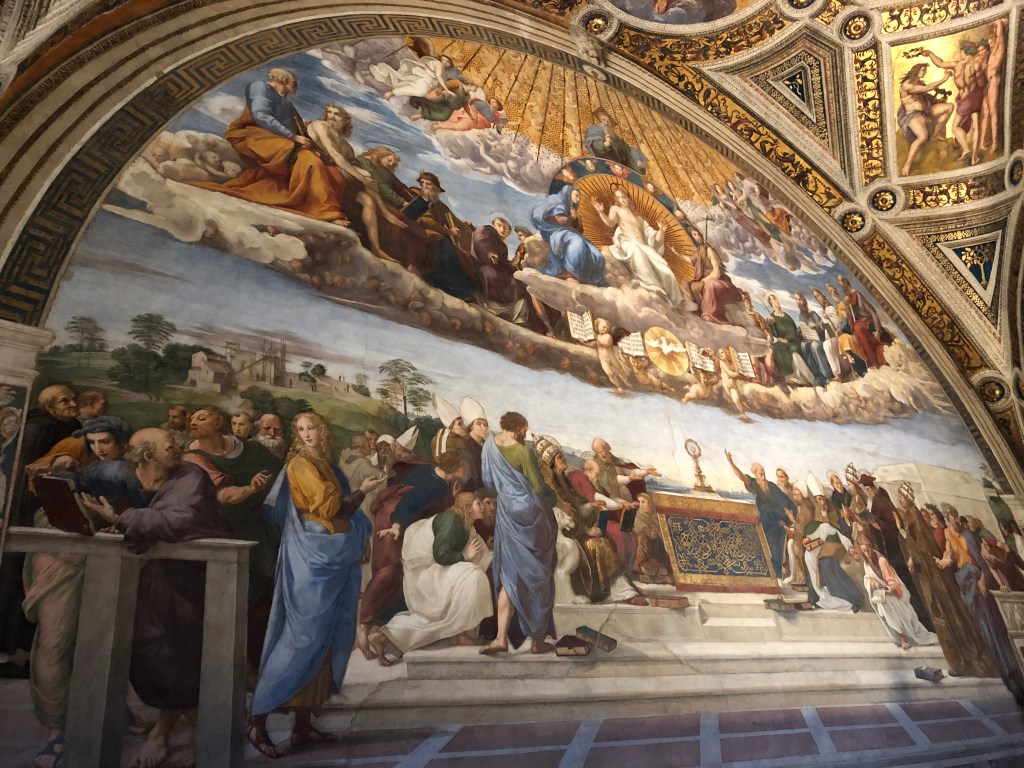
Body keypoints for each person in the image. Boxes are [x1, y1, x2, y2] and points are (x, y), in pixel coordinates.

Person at [81, 428, 232, 768]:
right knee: (152, 648)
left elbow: (180, 520)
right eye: (169, 446)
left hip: (191, 580)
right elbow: (159, 523)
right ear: (149, 455)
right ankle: (181, 731)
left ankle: (187, 734)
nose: (177, 447)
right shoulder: (150, 474)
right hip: (161, 576)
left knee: (176, 653)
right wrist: (123, 525)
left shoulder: (190, 474)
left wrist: (121, 519)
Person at [245, 412, 380, 758]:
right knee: (301, 638)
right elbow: (333, 509)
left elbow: (345, 513)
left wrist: (360, 530)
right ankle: (256, 721)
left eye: (312, 428)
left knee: (326, 639)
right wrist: (364, 491)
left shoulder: (330, 468)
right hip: (311, 561)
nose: (306, 434)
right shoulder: (300, 466)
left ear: (323, 431)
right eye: (301, 430)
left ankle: (302, 727)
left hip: (334, 557)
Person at [24, 416, 142, 768]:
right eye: (93, 443)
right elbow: (42, 477)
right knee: (55, 641)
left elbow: (140, 509)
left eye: (105, 442)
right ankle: (56, 732)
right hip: (59, 558)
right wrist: (57, 463)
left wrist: (119, 523)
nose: (98, 448)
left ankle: (115, 713)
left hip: (107, 564)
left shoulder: (128, 471)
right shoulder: (77, 459)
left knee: (103, 641)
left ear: (121, 442)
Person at [182, 406, 282, 675]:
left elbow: (281, 476)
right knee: (232, 598)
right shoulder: (193, 458)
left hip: (261, 528)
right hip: (225, 532)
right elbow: (223, 496)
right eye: (192, 418)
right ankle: (230, 667)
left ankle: (260, 665)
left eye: (201, 418)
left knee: (267, 592)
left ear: (219, 423)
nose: (193, 421)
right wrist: (251, 488)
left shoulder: (251, 450)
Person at [199, 68, 350, 224]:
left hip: (281, 140)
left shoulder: (288, 104)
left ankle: (311, 204)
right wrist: (293, 136)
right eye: (294, 82)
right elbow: (261, 115)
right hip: (256, 136)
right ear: (285, 81)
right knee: (309, 160)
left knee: (333, 172)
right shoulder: (260, 87)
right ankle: (327, 212)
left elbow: (299, 127)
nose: (296, 86)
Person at [0, 385, 80, 677]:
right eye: (64, 401)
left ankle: (29, 655)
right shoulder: (39, 429)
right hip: (29, 511)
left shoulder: (68, 428)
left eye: (73, 399)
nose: (72, 404)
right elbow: (25, 477)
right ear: (49, 407)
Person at [357, 451, 463, 659]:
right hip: (397, 525)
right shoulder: (438, 485)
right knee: (396, 574)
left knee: (394, 573)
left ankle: (374, 626)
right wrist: (397, 526)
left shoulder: (430, 470)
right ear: (456, 468)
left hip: (391, 519)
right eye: (463, 467)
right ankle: (368, 623)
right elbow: (410, 502)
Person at [371, 492, 493, 663]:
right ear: (467, 507)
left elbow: (482, 554)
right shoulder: (452, 521)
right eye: (479, 504)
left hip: (438, 570)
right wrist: (464, 556)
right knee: (473, 576)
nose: (483, 508)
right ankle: (459, 634)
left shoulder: (468, 526)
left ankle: (384, 637)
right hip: (426, 573)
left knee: (469, 580)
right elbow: (440, 555)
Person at [480, 412, 557, 654]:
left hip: (506, 517)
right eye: (525, 429)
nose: (526, 433)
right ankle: (537, 640)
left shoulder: (488, 447)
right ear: (519, 427)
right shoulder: (524, 452)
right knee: (538, 578)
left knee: (509, 577)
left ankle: (501, 638)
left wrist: (507, 494)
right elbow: (539, 488)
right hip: (531, 519)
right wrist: (556, 500)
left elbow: (488, 482)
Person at [896, 492, 997, 677]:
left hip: (946, 580)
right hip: (939, 578)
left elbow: (927, 549)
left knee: (956, 617)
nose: (899, 500)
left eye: (901, 497)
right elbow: (931, 551)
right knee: (949, 620)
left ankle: (971, 662)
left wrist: (918, 558)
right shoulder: (916, 522)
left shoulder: (920, 521)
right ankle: (961, 663)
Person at [936, 512, 1024, 703]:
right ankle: (1009, 677)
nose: (953, 522)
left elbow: (983, 563)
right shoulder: (952, 538)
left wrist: (983, 579)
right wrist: (942, 562)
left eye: (954, 518)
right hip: (968, 583)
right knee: (987, 632)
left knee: (994, 632)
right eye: (950, 520)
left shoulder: (969, 537)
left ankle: (1013, 677)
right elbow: (950, 557)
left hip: (978, 585)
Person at [306, 104, 411, 263]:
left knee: (368, 200)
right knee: (365, 176)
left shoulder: (346, 144)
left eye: (337, 114)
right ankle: (385, 213)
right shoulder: (320, 125)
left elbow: (351, 162)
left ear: (345, 120)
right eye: (329, 112)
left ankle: (376, 248)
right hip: (326, 168)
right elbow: (335, 155)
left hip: (343, 172)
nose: (331, 116)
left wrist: (363, 175)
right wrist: (361, 177)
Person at [591, 185, 683, 305]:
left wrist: (661, 230)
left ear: (629, 198)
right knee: (637, 252)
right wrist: (601, 212)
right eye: (618, 197)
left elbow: (656, 239)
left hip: (645, 247)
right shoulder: (616, 209)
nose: (621, 199)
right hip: (629, 244)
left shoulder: (640, 219)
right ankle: (653, 288)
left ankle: (675, 302)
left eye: (623, 196)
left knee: (667, 271)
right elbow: (610, 223)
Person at [858, 534, 937, 649]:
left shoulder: (881, 560)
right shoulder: (866, 562)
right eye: (864, 551)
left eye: (867, 549)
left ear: (871, 546)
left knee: (888, 603)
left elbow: (892, 581)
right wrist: (871, 581)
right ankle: (901, 637)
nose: (867, 553)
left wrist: (889, 589)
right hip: (883, 593)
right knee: (884, 603)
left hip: (895, 591)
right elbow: (868, 577)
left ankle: (904, 636)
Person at [725, 451, 794, 581]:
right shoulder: (755, 485)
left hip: (779, 523)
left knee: (779, 550)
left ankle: (779, 576)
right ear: (756, 476)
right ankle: (772, 576)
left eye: (763, 473)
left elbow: (784, 501)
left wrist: (790, 516)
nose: (763, 476)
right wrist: (731, 463)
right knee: (769, 550)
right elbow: (742, 478)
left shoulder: (771, 485)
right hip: (767, 524)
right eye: (760, 474)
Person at [412, 171, 476, 301]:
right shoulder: (415, 195)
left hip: (438, 236)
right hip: (421, 232)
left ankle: (461, 288)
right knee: (446, 248)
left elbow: (455, 222)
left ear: (436, 189)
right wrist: (448, 232)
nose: (424, 186)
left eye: (428, 184)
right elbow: (425, 220)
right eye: (422, 183)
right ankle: (460, 291)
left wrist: (470, 230)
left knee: (465, 257)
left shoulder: (440, 206)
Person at [530, 185, 607, 286]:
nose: (578, 199)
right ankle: (571, 272)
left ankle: (584, 276)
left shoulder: (572, 209)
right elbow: (559, 219)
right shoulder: (559, 202)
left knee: (595, 254)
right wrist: (572, 218)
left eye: (580, 197)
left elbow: (580, 230)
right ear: (569, 192)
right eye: (576, 195)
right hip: (559, 233)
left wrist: (577, 219)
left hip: (571, 233)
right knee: (577, 243)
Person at [472, 217, 529, 323]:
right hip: (484, 266)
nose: (502, 229)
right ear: (493, 225)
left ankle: (518, 317)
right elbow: (481, 242)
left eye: (506, 228)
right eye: (499, 225)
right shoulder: (486, 230)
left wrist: (513, 263)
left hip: (500, 272)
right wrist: (490, 254)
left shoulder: (503, 246)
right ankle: (493, 310)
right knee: (490, 274)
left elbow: (503, 264)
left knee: (517, 283)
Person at [802, 518, 862, 611]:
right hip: (821, 550)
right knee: (809, 556)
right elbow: (814, 536)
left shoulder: (833, 525)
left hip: (834, 552)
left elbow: (843, 536)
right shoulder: (822, 526)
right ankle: (821, 595)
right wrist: (808, 539)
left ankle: (849, 599)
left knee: (827, 564)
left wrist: (850, 548)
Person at [686, 225, 742, 324]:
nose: (697, 237)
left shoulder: (709, 250)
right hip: (707, 280)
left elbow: (717, 273)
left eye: (698, 234)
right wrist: (675, 253)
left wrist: (707, 279)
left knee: (710, 285)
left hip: (720, 281)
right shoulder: (698, 253)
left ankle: (711, 314)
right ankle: (701, 310)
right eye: (694, 235)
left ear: (702, 234)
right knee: (693, 286)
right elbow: (690, 260)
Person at [838, 275, 889, 369]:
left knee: (858, 327)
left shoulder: (857, 294)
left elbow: (872, 312)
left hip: (869, 323)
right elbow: (851, 319)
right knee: (857, 328)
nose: (841, 284)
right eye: (839, 282)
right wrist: (847, 307)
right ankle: (870, 362)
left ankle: (874, 362)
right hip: (859, 326)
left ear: (847, 282)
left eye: (842, 281)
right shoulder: (847, 300)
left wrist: (878, 330)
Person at [764, 294, 815, 386]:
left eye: (776, 299)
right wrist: (770, 324)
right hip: (781, 343)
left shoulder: (786, 316)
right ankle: (791, 378)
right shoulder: (771, 317)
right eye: (774, 300)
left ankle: (806, 378)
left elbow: (793, 331)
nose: (777, 301)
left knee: (792, 349)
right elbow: (773, 334)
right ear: (771, 304)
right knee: (777, 348)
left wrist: (787, 340)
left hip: (793, 341)